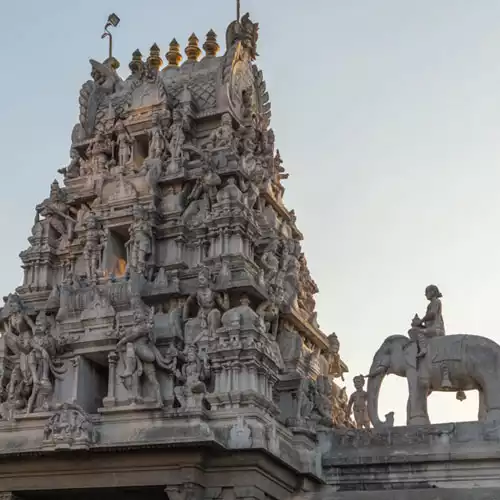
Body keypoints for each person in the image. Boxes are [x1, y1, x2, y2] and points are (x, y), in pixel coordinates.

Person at [408, 284, 445, 358]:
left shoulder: (436, 301)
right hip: (431, 329)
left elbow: (432, 314)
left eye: (427, 292)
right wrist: (419, 324)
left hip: (437, 329)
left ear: (433, 292)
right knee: (414, 330)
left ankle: (423, 349)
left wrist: (420, 321)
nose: (425, 294)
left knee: (418, 332)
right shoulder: (431, 304)